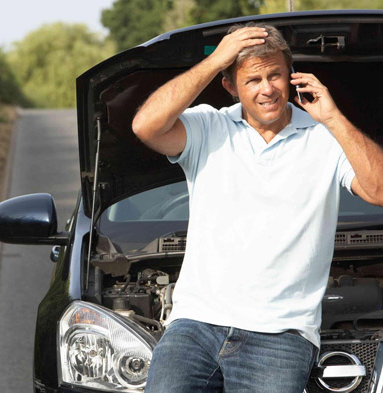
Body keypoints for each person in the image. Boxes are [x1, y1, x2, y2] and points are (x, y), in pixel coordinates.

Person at [131, 22, 383, 393]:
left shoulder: (325, 138)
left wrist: (333, 118)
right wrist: (216, 59)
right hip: (195, 326)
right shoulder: (207, 127)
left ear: (290, 75)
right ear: (229, 85)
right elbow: (145, 126)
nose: (267, 89)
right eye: (252, 80)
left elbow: (378, 189)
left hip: (281, 336)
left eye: (275, 75)